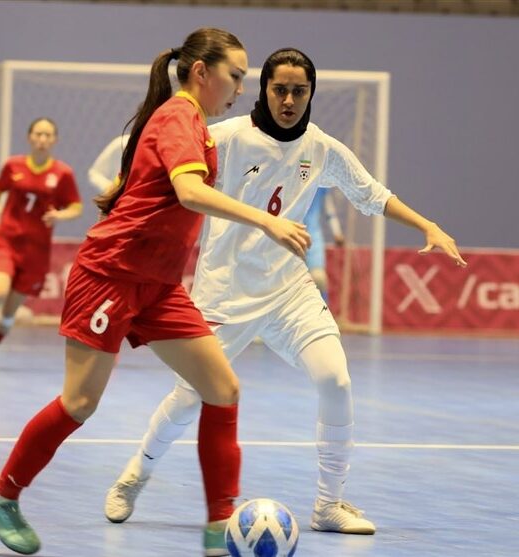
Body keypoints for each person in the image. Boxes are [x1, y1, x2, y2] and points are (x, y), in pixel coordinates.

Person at [103, 48, 467, 537]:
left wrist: (429, 225)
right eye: (280, 89)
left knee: (336, 380)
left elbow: (372, 194)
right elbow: (171, 170)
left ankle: (329, 504)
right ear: (263, 90)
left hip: (289, 292)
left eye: (299, 91)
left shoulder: (321, 148)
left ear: (311, 93)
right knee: (190, 398)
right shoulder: (227, 138)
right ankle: (135, 475)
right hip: (225, 293)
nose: (289, 100)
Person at [0, 29, 311, 557]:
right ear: (202, 72)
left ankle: (218, 526)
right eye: (237, 76)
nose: (242, 89)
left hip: (157, 285)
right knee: (80, 403)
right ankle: (2, 495)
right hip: (110, 275)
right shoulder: (179, 116)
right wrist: (264, 223)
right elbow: (189, 191)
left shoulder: (194, 122)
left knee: (222, 388)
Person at [0, 117, 83, 370]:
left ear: (54, 140)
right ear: (29, 137)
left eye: (48, 135)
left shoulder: (62, 173)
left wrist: (60, 215)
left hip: (36, 252)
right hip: (7, 242)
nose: (42, 139)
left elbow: (76, 206)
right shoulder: (13, 165)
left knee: (8, 313)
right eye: (38, 134)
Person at [304, 188, 344, 301]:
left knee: (318, 278)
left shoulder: (320, 184)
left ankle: (323, 313)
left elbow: (329, 210)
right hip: (289, 235)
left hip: (313, 237)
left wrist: (337, 232)